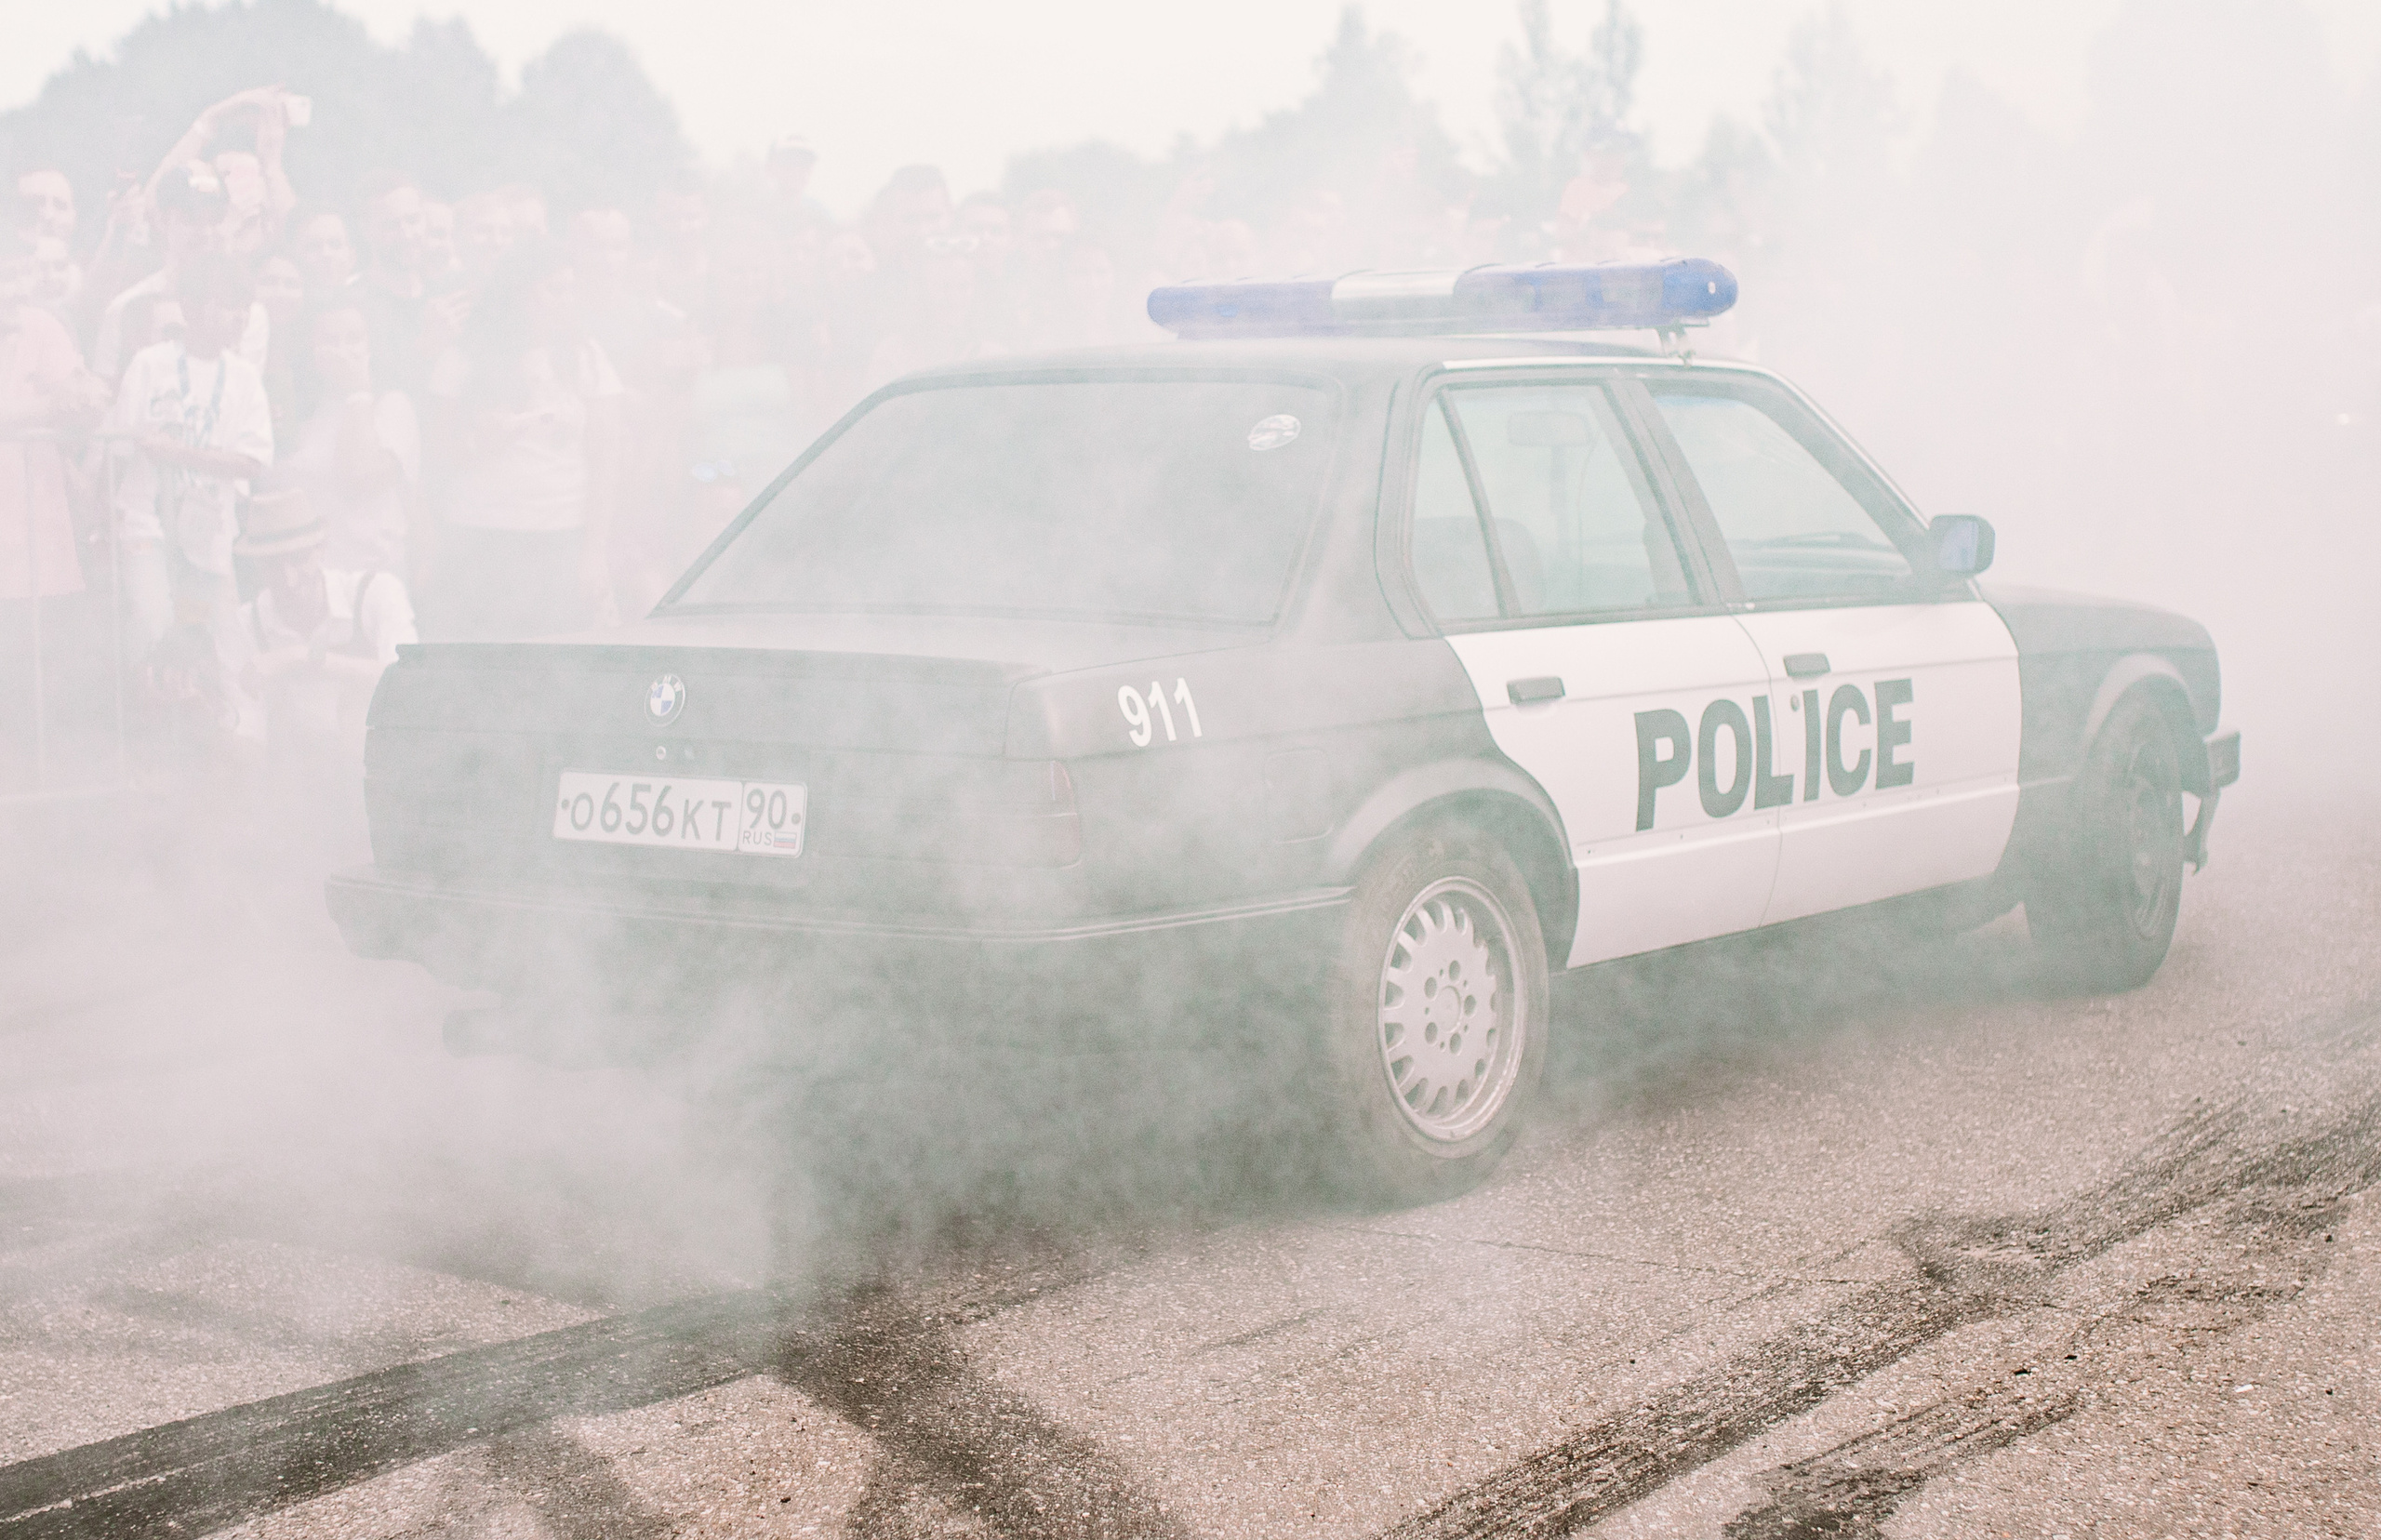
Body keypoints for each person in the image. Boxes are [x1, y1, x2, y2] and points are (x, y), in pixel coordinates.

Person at [423, 238, 621, 640]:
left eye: (571, 288)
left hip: (561, 536)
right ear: (520, 293)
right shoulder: (465, 358)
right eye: (555, 289)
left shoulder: (586, 356)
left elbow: (607, 460)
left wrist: (595, 552)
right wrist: (481, 443)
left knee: (553, 665)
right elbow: (434, 457)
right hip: (480, 537)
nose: (567, 299)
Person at [103, 253, 274, 661]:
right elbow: (122, 449)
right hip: (147, 525)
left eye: (246, 308)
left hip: (209, 532)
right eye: (230, 305)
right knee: (155, 627)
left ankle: (212, 721)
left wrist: (179, 453)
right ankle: (157, 716)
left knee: (216, 642)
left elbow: (252, 460)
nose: (240, 317)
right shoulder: (150, 365)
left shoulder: (243, 376)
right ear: (193, 307)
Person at [220, 486, 415, 773]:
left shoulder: (375, 593)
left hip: (385, 770)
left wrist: (302, 657)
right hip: (303, 781)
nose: (288, 579)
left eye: (298, 558)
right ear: (258, 566)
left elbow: (409, 680)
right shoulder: (247, 625)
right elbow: (249, 731)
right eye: (274, 565)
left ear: (320, 549)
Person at [90, 162, 270, 382]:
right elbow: (106, 397)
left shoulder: (249, 314)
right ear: (164, 222)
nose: (206, 232)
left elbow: (240, 398)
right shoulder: (126, 308)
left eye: (215, 219)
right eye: (191, 218)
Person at [280, 296, 419, 575]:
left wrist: (358, 391)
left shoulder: (393, 406)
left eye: (354, 339)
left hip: (373, 576)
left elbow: (360, 478)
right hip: (312, 577)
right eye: (330, 341)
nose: (343, 350)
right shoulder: (304, 415)